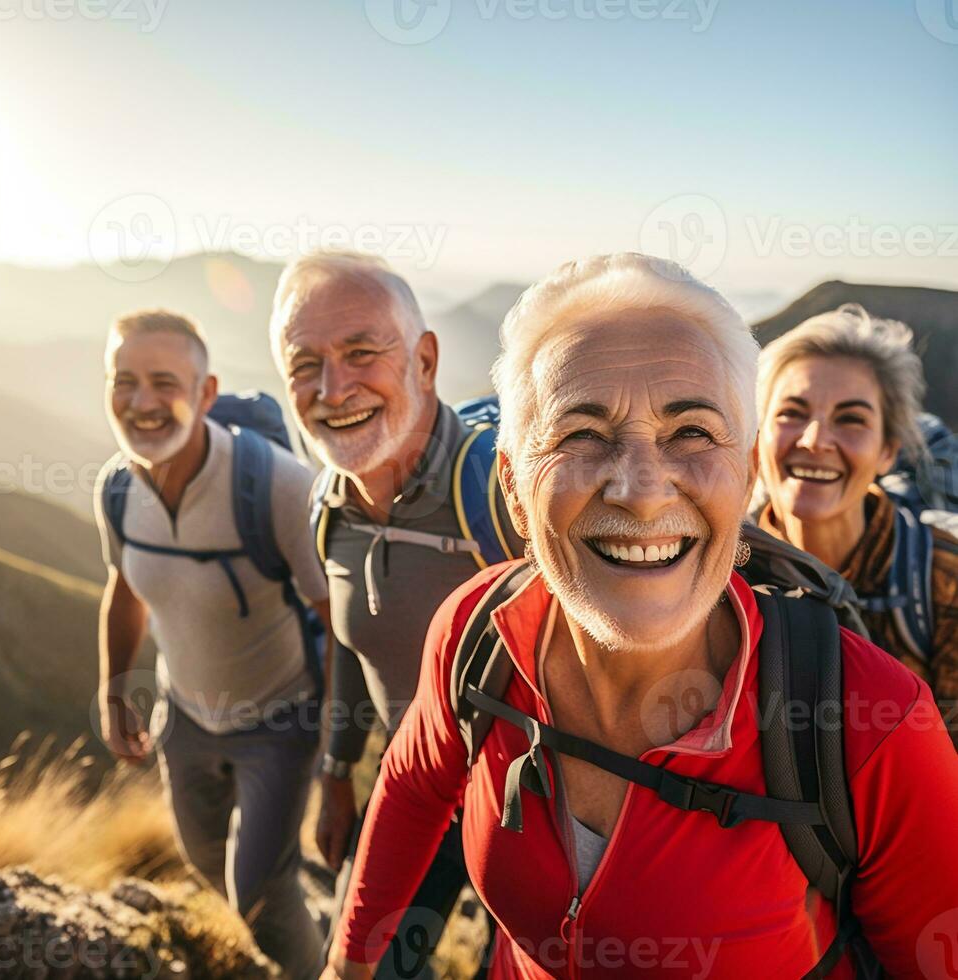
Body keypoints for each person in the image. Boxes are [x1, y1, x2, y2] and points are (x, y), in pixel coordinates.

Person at [321, 254, 958, 979]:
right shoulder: (476, 630)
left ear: (744, 473)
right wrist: (350, 961)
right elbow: (413, 783)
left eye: (690, 431)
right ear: (514, 487)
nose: (641, 491)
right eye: (580, 434)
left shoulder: (869, 722)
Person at [270, 253, 522, 976]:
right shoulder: (329, 507)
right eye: (304, 364)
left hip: (535, 814)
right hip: (413, 800)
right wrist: (336, 775)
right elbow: (350, 647)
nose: (332, 387)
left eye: (360, 353)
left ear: (424, 360)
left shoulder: (501, 493)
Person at [94, 310, 330, 980]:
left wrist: (338, 761)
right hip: (186, 718)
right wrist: (114, 689)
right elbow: (124, 588)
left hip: (282, 721)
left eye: (163, 382)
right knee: (210, 866)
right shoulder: (114, 487)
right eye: (123, 381)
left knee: (254, 889)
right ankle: (311, 925)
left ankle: (320, 969)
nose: (141, 402)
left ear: (204, 393)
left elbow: (335, 625)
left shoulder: (279, 487)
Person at [755, 303, 958, 744]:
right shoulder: (714, 571)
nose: (814, 441)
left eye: (850, 419)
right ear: (759, 432)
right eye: (791, 412)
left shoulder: (944, 581)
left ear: (888, 451)